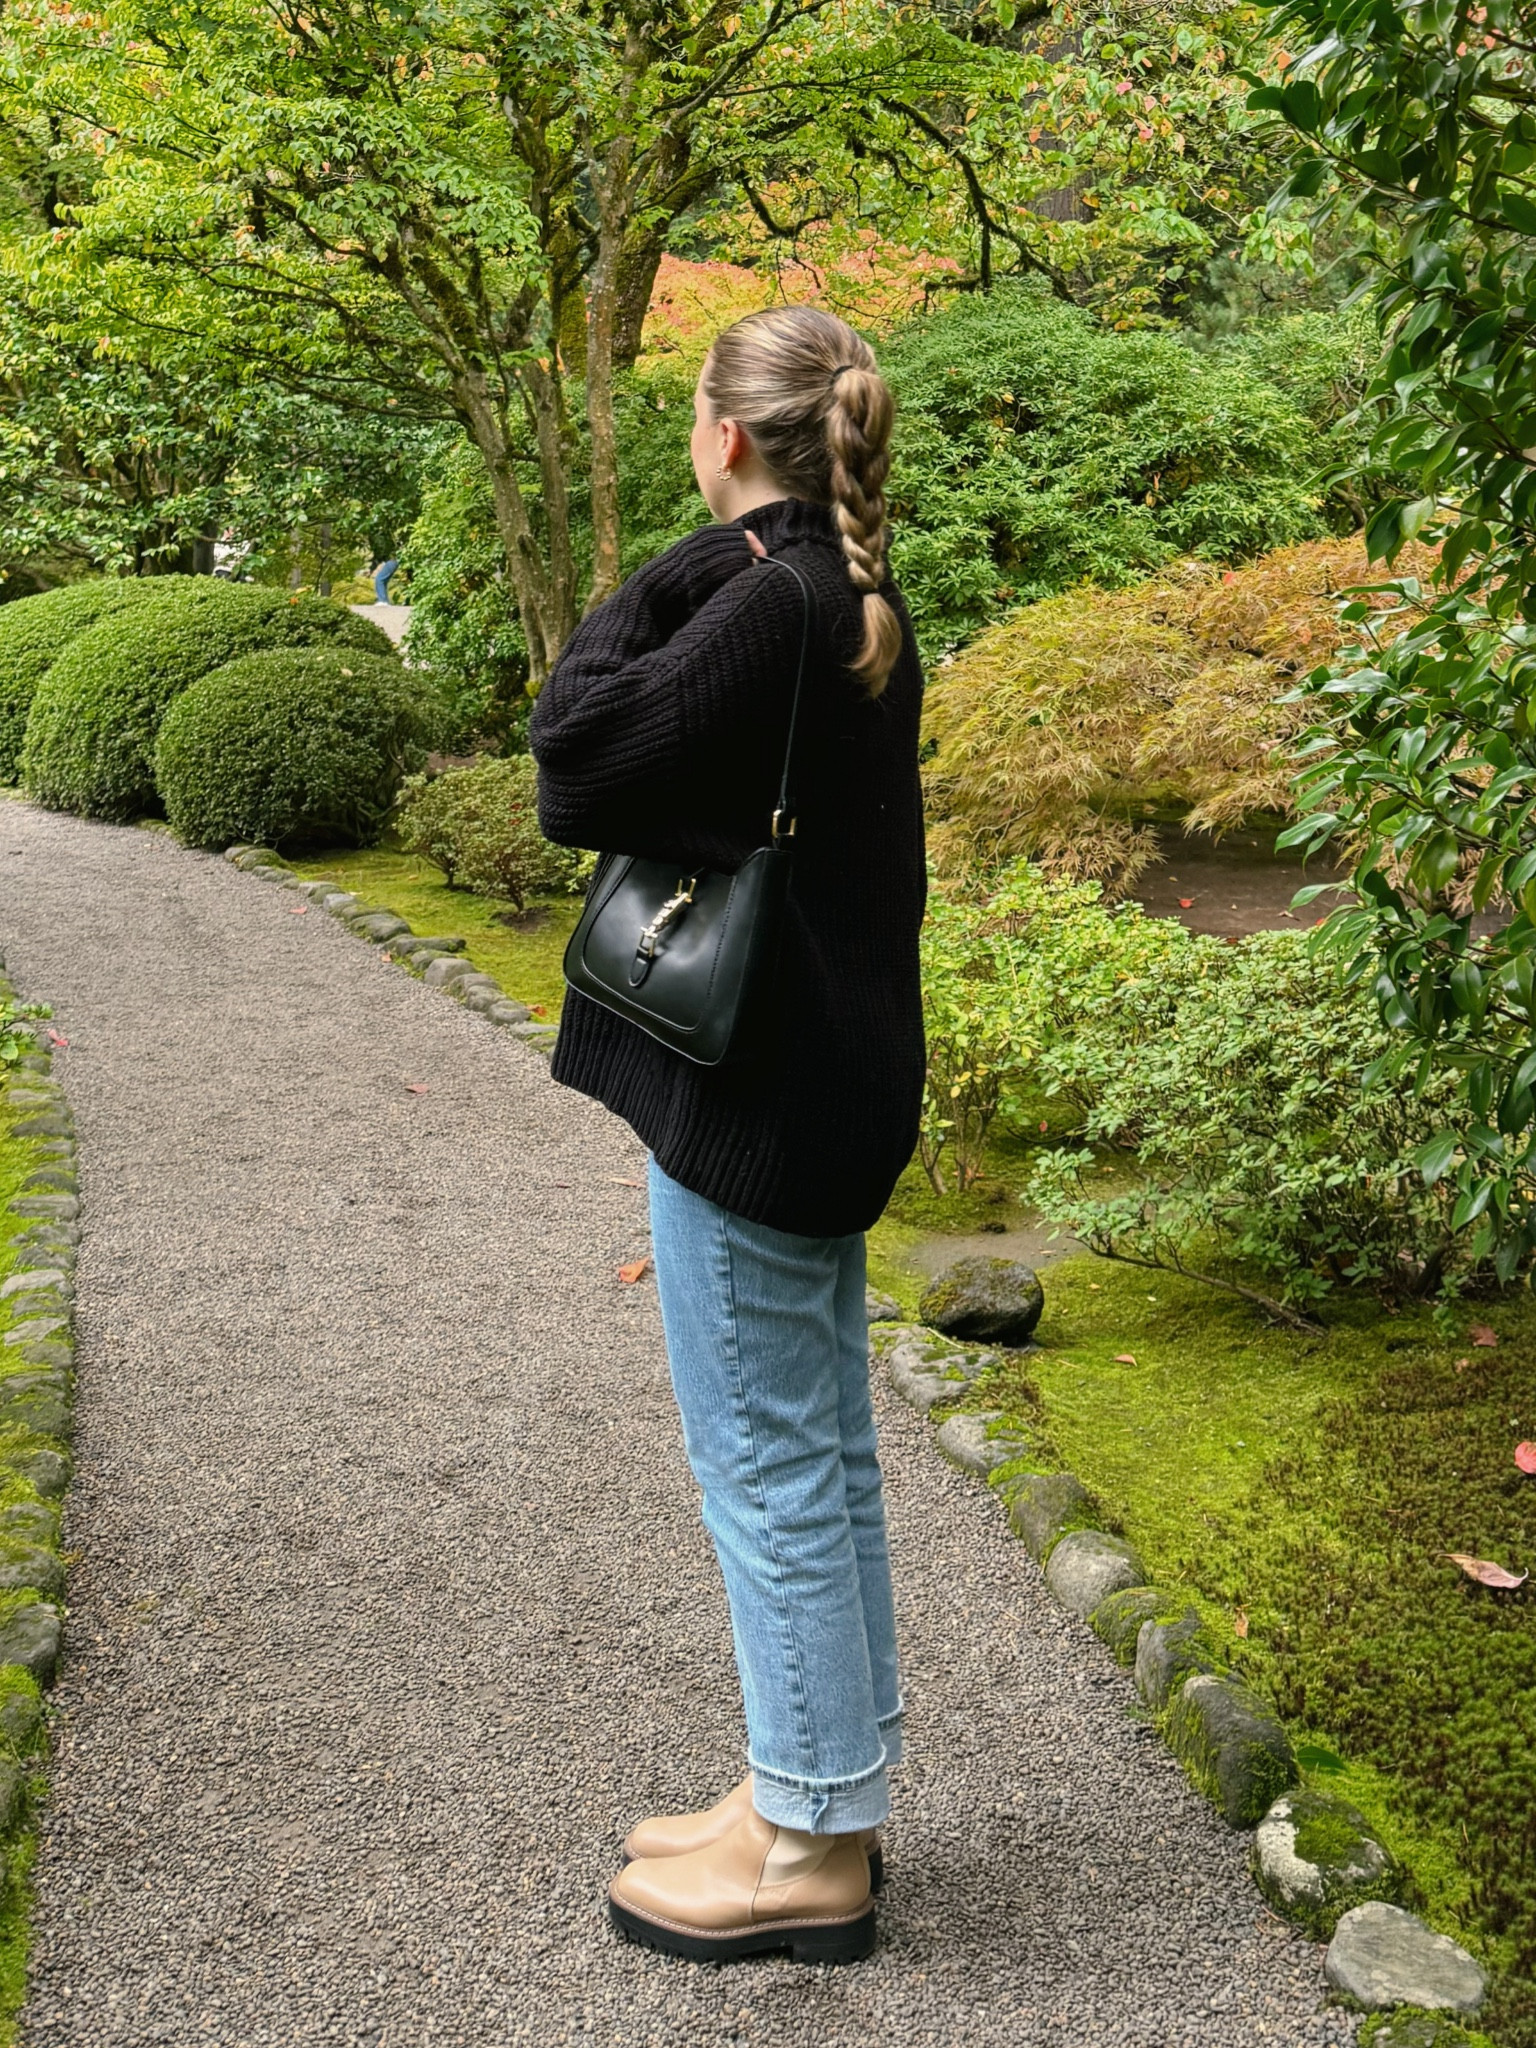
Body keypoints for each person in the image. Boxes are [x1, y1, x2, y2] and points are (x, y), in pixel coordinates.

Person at [529, 305, 926, 1966]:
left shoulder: (769, 600)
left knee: (765, 1463)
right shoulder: (853, 596)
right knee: (816, 1455)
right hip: (829, 1084)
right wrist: (751, 534)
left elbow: (572, 754)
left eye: (696, 415)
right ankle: (809, 1793)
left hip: (754, 1104)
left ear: (728, 437)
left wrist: (706, 552)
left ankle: (806, 1852)